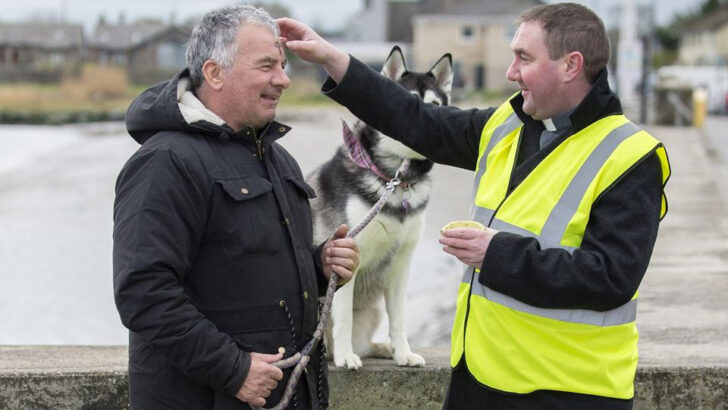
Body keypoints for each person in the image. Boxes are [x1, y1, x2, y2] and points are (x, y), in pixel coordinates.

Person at [277, 2, 670, 409]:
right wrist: (334, 60)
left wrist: (494, 253)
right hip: (481, 379)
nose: (510, 72)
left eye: (523, 58)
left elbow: (612, 277)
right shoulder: (506, 125)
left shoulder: (629, 156)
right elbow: (418, 120)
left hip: (569, 393)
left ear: (571, 65)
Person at [112, 5, 360, 410]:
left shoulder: (279, 161)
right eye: (267, 66)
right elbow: (144, 293)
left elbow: (245, 272)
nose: (283, 79)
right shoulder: (165, 162)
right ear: (214, 73)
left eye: (282, 65)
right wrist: (234, 370)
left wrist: (320, 266)